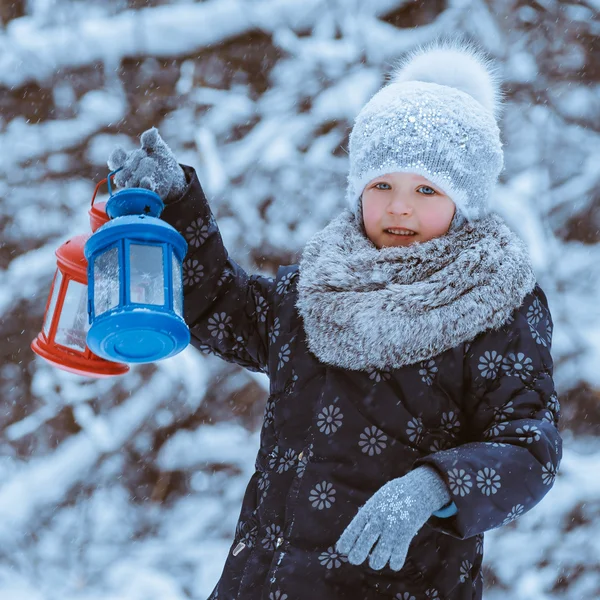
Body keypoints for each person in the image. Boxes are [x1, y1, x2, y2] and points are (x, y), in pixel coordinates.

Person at [108, 38, 562, 600]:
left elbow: (528, 447)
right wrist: (177, 203)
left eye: (426, 189)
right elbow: (222, 309)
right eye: (382, 185)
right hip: (264, 581)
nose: (400, 206)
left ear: (464, 201)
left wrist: (433, 487)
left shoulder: (496, 302)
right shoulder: (317, 287)